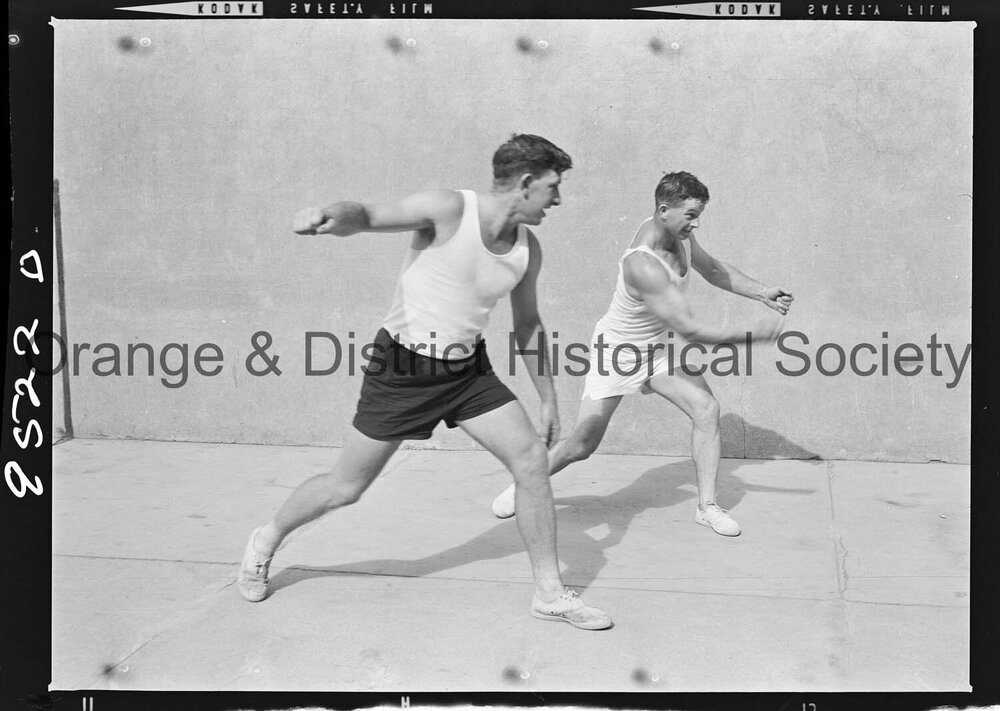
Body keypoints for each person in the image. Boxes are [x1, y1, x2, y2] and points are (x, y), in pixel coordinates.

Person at [237, 134, 612, 630]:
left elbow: (527, 325)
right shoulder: (448, 210)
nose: (557, 199)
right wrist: (328, 215)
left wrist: (548, 400)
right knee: (345, 487)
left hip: (467, 372)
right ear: (525, 183)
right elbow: (368, 215)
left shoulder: (527, 249)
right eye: (553, 186)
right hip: (403, 370)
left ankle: (549, 593)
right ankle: (266, 538)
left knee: (530, 461)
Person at [490, 171, 793, 536]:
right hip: (618, 354)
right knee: (582, 445)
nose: (696, 223)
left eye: (698, 215)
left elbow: (712, 269)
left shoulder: (680, 234)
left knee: (706, 409)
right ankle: (525, 481)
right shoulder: (643, 264)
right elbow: (692, 330)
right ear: (664, 210)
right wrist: (752, 335)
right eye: (691, 215)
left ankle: (707, 507)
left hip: (657, 349)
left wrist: (761, 292)